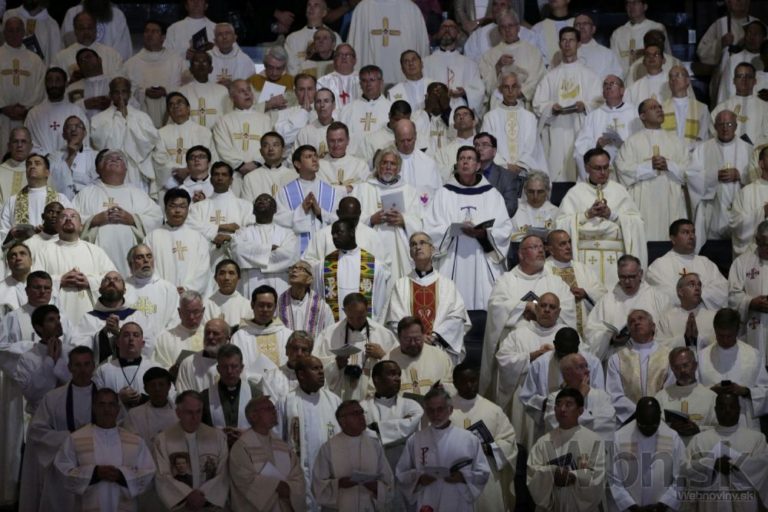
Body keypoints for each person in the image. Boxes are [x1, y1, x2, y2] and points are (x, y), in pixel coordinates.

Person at [480, 234, 576, 395]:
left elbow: (568, 310)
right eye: (534, 247)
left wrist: (539, 313)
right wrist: (525, 306)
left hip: (551, 348)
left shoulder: (555, 282)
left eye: (541, 247)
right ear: (521, 254)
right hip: (518, 350)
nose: (540, 250)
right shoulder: (507, 280)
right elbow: (496, 306)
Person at [425, 146, 513, 312]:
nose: (465, 162)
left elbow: (504, 228)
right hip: (451, 255)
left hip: (482, 257)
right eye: (461, 158)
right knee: (449, 306)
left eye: (470, 158)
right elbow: (431, 227)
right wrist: (451, 230)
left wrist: (484, 234)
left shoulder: (491, 194)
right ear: (457, 164)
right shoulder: (444, 193)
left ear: (478, 165)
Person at [20, 346, 97, 512]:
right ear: (69, 367)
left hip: (97, 467)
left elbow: (120, 426)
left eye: (86, 364)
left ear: (93, 366)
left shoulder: (106, 397)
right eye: (77, 365)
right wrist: (71, 437)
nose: (83, 370)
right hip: (64, 470)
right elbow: (37, 432)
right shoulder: (53, 398)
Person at [53, 388, 156, 510]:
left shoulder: (135, 441)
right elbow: (62, 469)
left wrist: (121, 476)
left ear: (118, 409)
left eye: (111, 404)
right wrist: (94, 474)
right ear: (94, 408)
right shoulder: (75, 439)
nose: (106, 409)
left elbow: (148, 472)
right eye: (101, 404)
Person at [395, 385, 490, 511]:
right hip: (428, 499)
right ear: (425, 411)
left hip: (457, 500)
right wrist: (419, 478)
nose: (435, 414)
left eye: (440, 409)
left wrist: (463, 477)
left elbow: (483, 472)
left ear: (450, 410)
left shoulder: (469, 439)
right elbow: (401, 473)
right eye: (431, 410)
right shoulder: (416, 439)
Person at [73, 149, 163, 276]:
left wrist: (132, 219)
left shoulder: (137, 193)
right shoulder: (86, 194)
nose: (114, 160)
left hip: (129, 254)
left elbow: (157, 217)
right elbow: (71, 219)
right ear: (98, 169)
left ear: (126, 170)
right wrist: (94, 220)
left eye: (119, 159)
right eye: (109, 159)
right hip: (95, 255)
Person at [386, 232, 471, 365]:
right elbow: (395, 319)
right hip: (410, 349)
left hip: (438, 347)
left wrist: (435, 336)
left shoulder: (447, 284)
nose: (418, 247)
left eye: (422, 243)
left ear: (432, 249)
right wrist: (417, 337)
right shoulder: (400, 285)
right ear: (410, 253)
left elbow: (457, 317)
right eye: (413, 244)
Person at [615, 98, 690, 242]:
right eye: (653, 107)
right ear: (642, 116)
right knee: (644, 238)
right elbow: (622, 168)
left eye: (660, 107)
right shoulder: (632, 142)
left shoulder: (675, 140)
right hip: (643, 196)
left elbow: (689, 169)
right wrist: (649, 167)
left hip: (670, 197)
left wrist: (669, 165)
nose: (659, 110)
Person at [532, 26, 602, 183]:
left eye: (571, 40)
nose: (567, 44)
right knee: (558, 172)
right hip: (557, 129)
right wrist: (551, 107)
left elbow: (598, 101)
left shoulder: (590, 75)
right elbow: (537, 103)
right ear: (559, 44)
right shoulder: (550, 76)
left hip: (580, 128)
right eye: (564, 40)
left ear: (579, 44)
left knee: (580, 173)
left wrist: (585, 105)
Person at [683, 393, 768, 511]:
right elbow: (686, 468)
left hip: (746, 502)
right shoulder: (699, 440)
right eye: (722, 407)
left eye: (732, 406)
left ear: (739, 409)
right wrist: (712, 464)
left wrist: (736, 464)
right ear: (715, 410)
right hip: (710, 503)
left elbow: (763, 468)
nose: (727, 410)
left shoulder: (757, 439)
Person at [450, 363, 517, 511]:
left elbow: (509, 441)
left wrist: (488, 448)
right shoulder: (445, 409)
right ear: (455, 383)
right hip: (454, 475)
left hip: (486, 475)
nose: (469, 385)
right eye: (464, 381)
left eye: (473, 380)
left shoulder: (493, 410)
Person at [527, 388, 606, 511]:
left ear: (580, 410)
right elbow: (532, 474)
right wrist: (552, 474)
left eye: (568, 404)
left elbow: (598, 477)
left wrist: (572, 476)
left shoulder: (594, 441)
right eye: (558, 404)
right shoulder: (542, 442)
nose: (562, 409)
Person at [33, 208, 117, 324]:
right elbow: (34, 282)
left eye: (73, 216)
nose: (68, 219)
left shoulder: (96, 251)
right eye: (63, 217)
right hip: (56, 318)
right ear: (56, 226)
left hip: (92, 318)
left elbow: (115, 281)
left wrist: (89, 281)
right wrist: (60, 280)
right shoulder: (44, 252)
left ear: (81, 226)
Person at [279, 355, 341, 509]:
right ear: (301, 374)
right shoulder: (286, 402)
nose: (321, 372)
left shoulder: (334, 401)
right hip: (299, 472)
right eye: (315, 369)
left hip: (329, 472)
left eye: (321, 368)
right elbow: (278, 440)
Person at [152, 389, 229, 511]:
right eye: (189, 412)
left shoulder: (218, 437)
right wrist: (187, 495)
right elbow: (162, 475)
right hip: (182, 506)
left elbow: (223, 472)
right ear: (178, 413)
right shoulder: (162, 440)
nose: (195, 418)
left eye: (198, 412)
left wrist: (204, 495)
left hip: (209, 505)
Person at [584, 255, 670, 361]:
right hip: (619, 360)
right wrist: (610, 339)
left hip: (652, 358)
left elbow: (669, 332)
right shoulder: (606, 301)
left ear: (640, 273)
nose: (627, 281)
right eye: (623, 277)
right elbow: (592, 333)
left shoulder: (658, 298)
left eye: (632, 277)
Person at [312, 400, 394, 510]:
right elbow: (318, 486)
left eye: (362, 412)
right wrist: (339, 484)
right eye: (355, 413)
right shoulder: (328, 448)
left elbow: (388, 482)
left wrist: (376, 486)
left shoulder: (374, 445)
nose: (361, 417)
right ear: (342, 421)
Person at [315, 293, 398, 401]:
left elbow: (399, 366)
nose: (356, 322)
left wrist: (382, 355)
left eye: (360, 317)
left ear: (367, 310)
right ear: (344, 311)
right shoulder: (329, 334)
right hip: (339, 397)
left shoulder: (383, 334)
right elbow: (316, 365)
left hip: (372, 400)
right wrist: (336, 364)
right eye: (351, 317)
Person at [229, 396, 306, 511]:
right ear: (254, 416)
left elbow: (298, 475)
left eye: (273, 408)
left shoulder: (282, 445)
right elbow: (244, 480)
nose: (274, 412)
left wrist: (290, 489)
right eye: (268, 408)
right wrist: (276, 486)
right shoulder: (242, 447)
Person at [697, 308, 768, 429]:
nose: (725, 340)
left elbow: (765, 390)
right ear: (715, 330)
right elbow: (695, 392)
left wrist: (745, 391)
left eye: (729, 336)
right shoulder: (702, 356)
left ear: (737, 331)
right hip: (712, 422)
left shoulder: (753, 355)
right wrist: (712, 391)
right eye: (721, 336)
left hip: (744, 422)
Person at [609, 397, 684, 511]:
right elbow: (613, 478)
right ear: (636, 417)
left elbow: (681, 476)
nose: (649, 430)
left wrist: (664, 504)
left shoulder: (673, 437)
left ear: (660, 416)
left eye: (654, 426)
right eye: (643, 426)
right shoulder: (619, 437)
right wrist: (632, 507)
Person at [89, 77, 160, 193]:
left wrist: (128, 120)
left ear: (130, 94)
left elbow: (148, 144)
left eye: (124, 92)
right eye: (116, 92)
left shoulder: (142, 117)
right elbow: (101, 145)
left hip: (135, 170)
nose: (120, 96)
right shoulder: (99, 119)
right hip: (111, 171)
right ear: (110, 95)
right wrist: (119, 119)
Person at [313, 219, 391, 322]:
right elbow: (319, 300)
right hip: (333, 328)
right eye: (333, 234)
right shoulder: (323, 265)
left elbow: (380, 302)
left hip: (365, 328)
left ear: (352, 232)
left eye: (339, 232)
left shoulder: (374, 265)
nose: (334, 237)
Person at [691, 109, 749, 242]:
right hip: (713, 209)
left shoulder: (747, 149)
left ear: (736, 126)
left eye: (729, 124)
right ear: (715, 126)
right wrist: (714, 176)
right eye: (721, 124)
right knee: (714, 246)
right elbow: (691, 176)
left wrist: (740, 175)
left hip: (741, 209)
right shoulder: (702, 149)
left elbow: (756, 177)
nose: (725, 128)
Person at [606, 310, 672, 424]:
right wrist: (638, 413)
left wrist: (654, 413)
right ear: (629, 331)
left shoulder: (669, 355)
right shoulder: (617, 359)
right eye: (632, 322)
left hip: (662, 419)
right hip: (630, 421)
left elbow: (671, 389)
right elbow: (614, 394)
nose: (636, 323)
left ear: (653, 326)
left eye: (641, 318)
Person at [646, 219, 728, 309]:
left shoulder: (705, 263)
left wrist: (697, 294)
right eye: (685, 232)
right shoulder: (659, 266)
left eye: (693, 232)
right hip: (674, 316)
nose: (692, 236)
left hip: (705, 315)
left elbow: (722, 289)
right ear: (673, 239)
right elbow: (660, 294)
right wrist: (694, 295)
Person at [230, 193, 299, 299]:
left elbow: (290, 256)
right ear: (253, 210)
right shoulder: (242, 232)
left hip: (280, 284)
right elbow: (238, 251)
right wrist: (269, 249)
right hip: (250, 282)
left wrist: (252, 257)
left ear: (275, 210)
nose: (262, 201)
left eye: (267, 200)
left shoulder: (287, 233)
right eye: (258, 200)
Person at [144, 188, 211, 295]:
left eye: (182, 206)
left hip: (191, 298)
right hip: (163, 295)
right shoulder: (152, 237)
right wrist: (166, 289)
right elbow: (148, 267)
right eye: (173, 206)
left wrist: (187, 289)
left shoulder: (198, 238)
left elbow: (203, 269)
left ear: (188, 209)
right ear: (165, 208)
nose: (177, 211)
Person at [275, 145, 340, 255]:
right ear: (297, 164)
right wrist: (301, 210)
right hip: (296, 252)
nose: (314, 159)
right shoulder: (285, 192)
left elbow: (338, 219)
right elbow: (278, 220)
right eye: (308, 157)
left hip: (326, 250)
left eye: (315, 156)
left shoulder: (331, 191)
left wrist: (320, 213)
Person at [573, 75, 641, 180]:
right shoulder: (593, 116)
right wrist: (597, 147)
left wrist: (625, 146)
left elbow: (642, 142)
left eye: (612, 84)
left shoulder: (635, 113)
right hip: (602, 173)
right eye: (605, 85)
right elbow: (580, 149)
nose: (608, 86)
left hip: (628, 173)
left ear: (622, 90)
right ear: (603, 92)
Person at [212, 79, 274, 193]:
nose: (247, 93)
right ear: (232, 98)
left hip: (259, 171)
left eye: (248, 90)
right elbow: (223, 147)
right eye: (241, 91)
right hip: (235, 174)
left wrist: (256, 163)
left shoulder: (265, 119)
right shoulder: (224, 121)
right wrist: (240, 165)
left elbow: (269, 145)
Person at [187, 161, 254, 266]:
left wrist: (230, 238)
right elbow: (191, 228)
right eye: (216, 174)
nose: (220, 178)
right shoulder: (198, 207)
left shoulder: (245, 206)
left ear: (231, 180)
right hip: (206, 260)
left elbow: (251, 232)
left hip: (235, 260)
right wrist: (220, 227)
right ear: (211, 179)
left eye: (224, 175)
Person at [480, 72, 548, 174]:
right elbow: (486, 146)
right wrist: (505, 165)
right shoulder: (490, 117)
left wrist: (520, 164)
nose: (510, 91)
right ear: (500, 90)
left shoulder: (529, 117)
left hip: (525, 171)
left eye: (514, 87)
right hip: (499, 171)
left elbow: (532, 146)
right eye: (506, 87)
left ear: (519, 89)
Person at [122, 20, 185, 129]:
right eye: (147, 31)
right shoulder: (130, 64)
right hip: (141, 122)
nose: (149, 34)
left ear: (163, 37)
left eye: (154, 31)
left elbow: (184, 89)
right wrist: (143, 93)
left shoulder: (176, 61)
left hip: (171, 120)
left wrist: (166, 92)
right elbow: (125, 94)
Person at [347, 0, 429, 84]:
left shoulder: (411, 9)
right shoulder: (363, 9)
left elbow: (422, 50)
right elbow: (353, 49)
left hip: (404, 84)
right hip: (369, 84)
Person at [544, 230, 607, 338]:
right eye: (562, 244)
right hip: (555, 330)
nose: (568, 247)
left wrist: (586, 294)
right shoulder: (545, 270)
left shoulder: (581, 268)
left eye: (569, 242)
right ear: (551, 249)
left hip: (585, 329)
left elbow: (602, 292)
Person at [542, 353, 615, 442]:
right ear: (567, 374)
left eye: (586, 366)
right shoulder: (554, 398)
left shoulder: (602, 396)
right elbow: (560, 428)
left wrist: (578, 426)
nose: (587, 371)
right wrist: (580, 396)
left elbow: (607, 426)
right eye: (580, 367)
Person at [0, 153, 72, 244]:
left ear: (47, 172)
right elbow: (3, 232)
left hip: (52, 247)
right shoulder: (12, 201)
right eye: (29, 164)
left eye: (37, 163)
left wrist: (47, 232)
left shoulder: (61, 199)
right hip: (22, 249)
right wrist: (14, 234)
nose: (32, 166)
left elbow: (70, 225)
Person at [153, 97, 217, 196]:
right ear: (169, 112)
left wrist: (189, 171)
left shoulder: (203, 132)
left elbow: (211, 158)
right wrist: (178, 171)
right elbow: (159, 158)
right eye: (171, 104)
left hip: (199, 185)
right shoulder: (160, 133)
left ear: (188, 108)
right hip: (170, 185)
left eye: (179, 103)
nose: (175, 106)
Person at [479, 9, 545, 105]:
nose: (507, 30)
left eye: (511, 25)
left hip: (524, 103)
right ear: (499, 30)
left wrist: (520, 92)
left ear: (518, 27)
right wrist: (498, 67)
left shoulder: (533, 52)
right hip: (499, 104)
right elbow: (487, 87)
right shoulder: (489, 55)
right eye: (503, 27)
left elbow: (538, 78)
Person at [0, 18, 45, 158]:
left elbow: (41, 86)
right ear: (4, 33)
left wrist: (26, 107)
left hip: (26, 117)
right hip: (2, 116)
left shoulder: (35, 60)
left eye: (18, 30)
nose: (14, 34)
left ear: (23, 32)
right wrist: (3, 107)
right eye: (10, 30)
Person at [654, 347, 718, 444]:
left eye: (685, 365)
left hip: (701, 449)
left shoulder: (711, 397)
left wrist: (698, 429)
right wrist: (670, 428)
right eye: (677, 367)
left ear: (695, 365)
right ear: (672, 369)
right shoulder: (661, 397)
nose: (682, 370)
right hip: (672, 449)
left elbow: (719, 429)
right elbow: (654, 429)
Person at [424, 19, 485, 114]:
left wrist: (465, 92)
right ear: (438, 34)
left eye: (451, 27)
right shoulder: (425, 62)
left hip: (460, 112)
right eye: (444, 27)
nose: (447, 29)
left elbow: (479, 89)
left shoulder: (470, 64)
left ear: (458, 34)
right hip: (435, 113)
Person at [124, 244, 181, 346]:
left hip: (162, 346)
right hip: (130, 347)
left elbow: (175, 320)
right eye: (140, 257)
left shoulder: (168, 289)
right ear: (130, 264)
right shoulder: (124, 289)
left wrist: (160, 342)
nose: (146, 260)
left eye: (149, 256)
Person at [24, 68, 87, 156]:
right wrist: (47, 158)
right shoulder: (34, 114)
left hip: (70, 160)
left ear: (65, 83)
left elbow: (84, 141)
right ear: (45, 84)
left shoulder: (76, 111)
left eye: (58, 80)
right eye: (50, 80)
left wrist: (66, 157)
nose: (54, 84)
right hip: (42, 161)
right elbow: (29, 142)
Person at [231, 285, 294, 370]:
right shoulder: (240, 336)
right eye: (261, 305)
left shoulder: (287, 335)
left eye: (269, 306)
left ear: (275, 307)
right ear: (252, 305)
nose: (265, 310)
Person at [388, 316, 454, 396]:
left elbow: (452, 385)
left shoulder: (441, 357)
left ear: (423, 335)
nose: (413, 343)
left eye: (417, 339)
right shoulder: (388, 361)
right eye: (408, 339)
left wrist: (444, 388)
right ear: (399, 337)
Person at [52, 11, 123, 80]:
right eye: (81, 28)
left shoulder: (113, 55)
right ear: (75, 30)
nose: (86, 32)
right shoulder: (61, 58)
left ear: (96, 29)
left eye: (90, 28)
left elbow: (120, 82)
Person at [656, 272, 717, 352]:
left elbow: (720, 343)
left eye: (699, 285)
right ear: (680, 292)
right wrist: (685, 340)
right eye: (692, 285)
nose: (697, 288)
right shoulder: (667, 318)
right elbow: (660, 346)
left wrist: (697, 339)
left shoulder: (713, 316)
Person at [713, 62, 768, 147]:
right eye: (739, 76)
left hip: (755, 153)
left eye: (748, 76)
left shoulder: (765, 107)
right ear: (734, 81)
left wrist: (749, 147)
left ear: (755, 81)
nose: (744, 80)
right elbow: (712, 135)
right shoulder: (721, 108)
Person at [278, 261, 335, 340]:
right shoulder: (278, 304)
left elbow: (330, 335)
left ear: (309, 279)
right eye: (292, 268)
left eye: (301, 269)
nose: (294, 270)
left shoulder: (322, 308)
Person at [337, 65, 391, 148]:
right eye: (364, 81)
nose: (368, 84)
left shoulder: (390, 108)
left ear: (381, 82)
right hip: (355, 154)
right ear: (360, 84)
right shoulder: (348, 110)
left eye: (372, 80)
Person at [609, 0, 669, 74]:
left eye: (635, 2)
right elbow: (613, 62)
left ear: (645, 6)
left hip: (650, 76)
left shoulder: (656, 28)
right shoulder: (618, 33)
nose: (631, 6)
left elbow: (666, 57)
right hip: (624, 78)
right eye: (628, 3)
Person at [152, 290, 207, 369]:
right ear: (179, 312)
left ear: (203, 311)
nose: (191, 317)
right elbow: (158, 368)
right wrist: (171, 370)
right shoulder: (164, 339)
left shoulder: (211, 337)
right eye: (187, 312)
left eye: (196, 312)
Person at [61, 0, 133, 60]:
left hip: (109, 68)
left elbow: (122, 53)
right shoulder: (72, 13)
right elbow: (68, 48)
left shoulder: (117, 15)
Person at [661, 65, 710, 152]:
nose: (673, 79)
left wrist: (686, 150)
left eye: (678, 75)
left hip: (693, 155)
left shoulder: (702, 108)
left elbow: (704, 137)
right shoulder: (662, 108)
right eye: (671, 77)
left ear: (687, 81)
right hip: (669, 154)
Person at [121, 367, 176, 444]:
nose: (157, 389)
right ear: (145, 389)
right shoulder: (134, 415)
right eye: (153, 385)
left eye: (161, 384)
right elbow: (130, 444)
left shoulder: (180, 413)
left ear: (169, 386)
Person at [175, 318, 232, 393]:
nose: (210, 337)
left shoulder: (234, 364)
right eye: (207, 333)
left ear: (227, 338)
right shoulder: (188, 363)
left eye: (215, 333)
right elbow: (183, 394)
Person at [49, 115, 99, 201]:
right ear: (63, 135)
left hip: (87, 199)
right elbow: (54, 181)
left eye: (78, 126)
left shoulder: (95, 156)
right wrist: (71, 156)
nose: (73, 129)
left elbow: (97, 183)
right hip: (62, 200)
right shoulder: (54, 156)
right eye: (69, 127)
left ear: (85, 133)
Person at [178, 51, 230, 130]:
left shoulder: (222, 91)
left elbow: (228, 117)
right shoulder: (182, 92)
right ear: (191, 69)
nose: (201, 65)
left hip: (216, 134)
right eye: (196, 62)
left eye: (204, 62)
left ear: (211, 69)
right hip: (191, 135)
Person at [285, 0, 339, 75]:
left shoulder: (335, 36)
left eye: (316, 5)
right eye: (309, 5)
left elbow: (339, 64)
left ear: (324, 12)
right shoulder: (292, 38)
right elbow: (292, 69)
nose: (311, 8)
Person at [241, 132, 297, 203]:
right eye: (266, 145)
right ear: (261, 151)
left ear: (283, 150)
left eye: (275, 145)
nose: (271, 149)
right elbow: (246, 207)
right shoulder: (250, 178)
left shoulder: (294, 177)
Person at [731, 147, 768, 255]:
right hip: (754, 256)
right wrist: (763, 212)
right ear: (761, 164)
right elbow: (737, 225)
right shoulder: (746, 192)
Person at [510, 171, 559, 241]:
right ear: (525, 191)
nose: (535, 196)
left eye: (540, 192)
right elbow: (510, 236)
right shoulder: (515, 211)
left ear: (547, 191)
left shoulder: (556, 212)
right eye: (531, 191)